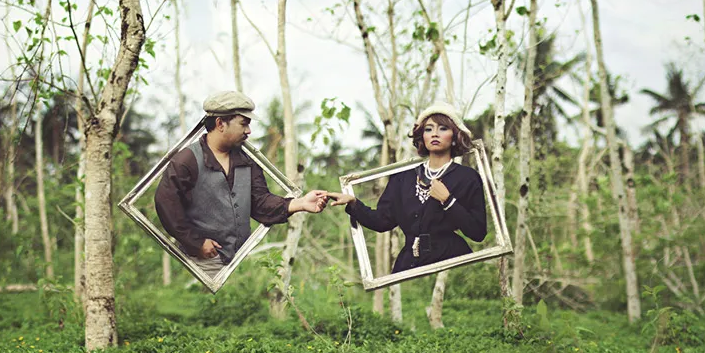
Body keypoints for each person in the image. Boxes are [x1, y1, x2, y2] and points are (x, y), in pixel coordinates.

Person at [155, 90, 329, 277]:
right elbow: (166, 204)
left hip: (240, 262)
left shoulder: (247, 160)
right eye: (244, 124)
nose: (249, 131)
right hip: (201, 264)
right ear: (221, 124)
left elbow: (260, 203)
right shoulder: (187, 160)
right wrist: (196, 243)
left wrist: (300, 203)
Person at [328, 103, 487, 273]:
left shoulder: (467, 177)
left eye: (443, 128)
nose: (434, 134)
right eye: (428, 129)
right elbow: (382, 221)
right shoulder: (403, 178)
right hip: (408, 266)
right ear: (422, 137)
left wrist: (448, 201)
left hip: (452, 263)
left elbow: (477, 232)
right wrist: (353, 203)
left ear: (454, 136)